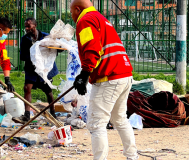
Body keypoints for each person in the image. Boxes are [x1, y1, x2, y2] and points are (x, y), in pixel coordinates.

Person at [70, 0, 138, 159]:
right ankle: (132, 156)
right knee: (119, 119)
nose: (72, 16)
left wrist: (84, 74)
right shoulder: (101, 18)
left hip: (109, 77)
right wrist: (85, 75)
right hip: (124, 74)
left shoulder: (85, 20)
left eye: (72, 12)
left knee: (96, 124)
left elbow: (92, 48)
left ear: (78, 9)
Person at [13, 18, 59, 123]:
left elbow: (56, 50)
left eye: (29, 26)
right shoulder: (25, 39)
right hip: (31, 69)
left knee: (48, 91)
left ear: (35, 25)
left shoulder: (46, 37)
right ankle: (27, 115)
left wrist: (54, 49)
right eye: (25, 26)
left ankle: (53, 113)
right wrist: (34, 57)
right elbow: (22, 56)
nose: (26, 28)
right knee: (26, 88)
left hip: (44, 69)